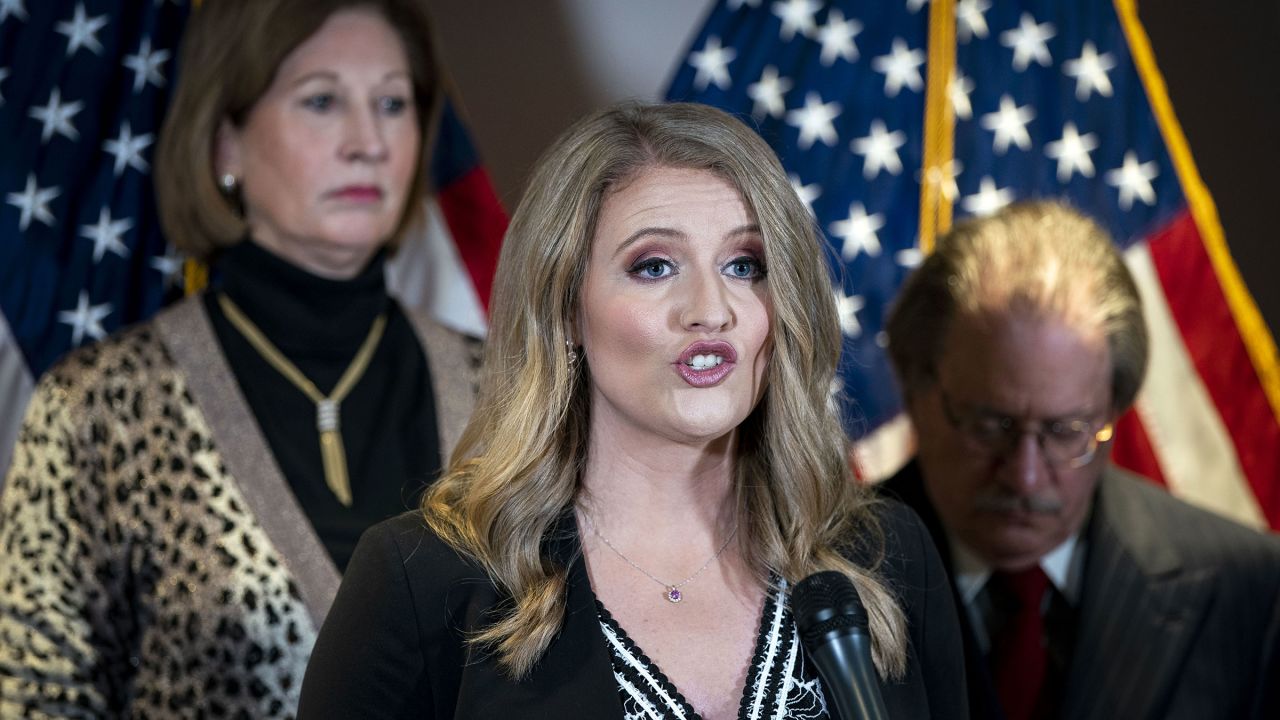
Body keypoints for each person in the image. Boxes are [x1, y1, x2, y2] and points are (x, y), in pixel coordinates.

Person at [296, 101, 968, 719]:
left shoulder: (884, 557)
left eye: (744, 265)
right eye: (654, 266)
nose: (711, 310)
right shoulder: (424, 581)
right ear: (564, 309)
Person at [0, 1, 478, 717]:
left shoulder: (506, 388)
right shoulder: (98, 406)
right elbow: (39, 699)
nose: (368, 141)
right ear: (226, 144)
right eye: (322, 101)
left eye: (391, 103)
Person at [880, 200, 1280, 720]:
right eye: (990, 425)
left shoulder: (1249, 591)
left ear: (1113, 409)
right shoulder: (805, 577)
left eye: (1066, 431)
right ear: (916, 391)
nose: (1024, 475)